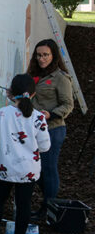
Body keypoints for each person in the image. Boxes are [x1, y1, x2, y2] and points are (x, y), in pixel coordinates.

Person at [0, 74, 51, 234]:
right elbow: (45, 146)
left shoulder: (1, 114)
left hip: (5, 168)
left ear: (11, 92)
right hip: (29, 170)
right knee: (24, 205)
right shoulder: (39, 118)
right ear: (33, 94)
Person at [27, 39, 74, 220]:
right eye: (39, 55)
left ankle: (48, 210)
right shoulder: (33, 75)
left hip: (52, 129)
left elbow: (68, 104)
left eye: (46, 54)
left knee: (48, 168)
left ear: (53, 56)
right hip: (33, 130)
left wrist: (50, 115)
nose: (41, 58)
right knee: (36, 169)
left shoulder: (60, 77)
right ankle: (49, 205)